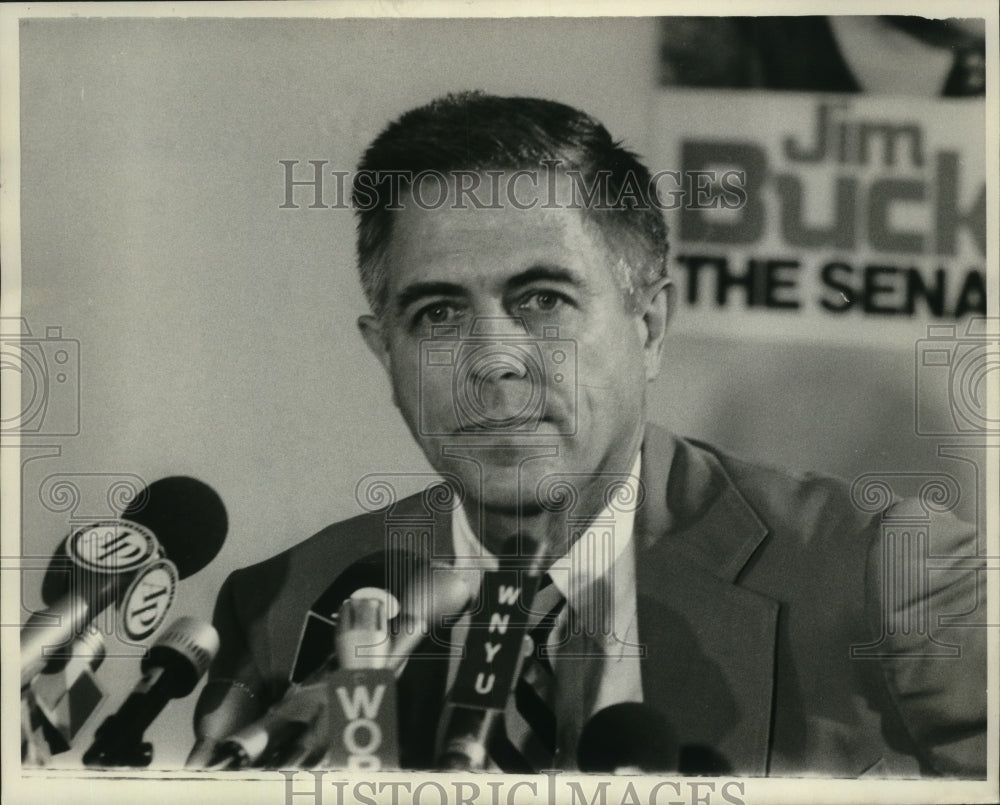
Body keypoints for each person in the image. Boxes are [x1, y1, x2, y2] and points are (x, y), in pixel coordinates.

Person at [194, 92, 986, 776]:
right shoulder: (287, 607)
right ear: (385, 352)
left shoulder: (887, 574)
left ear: (648, 327)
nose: (494, 362)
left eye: (541, 299)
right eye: (437, 314)